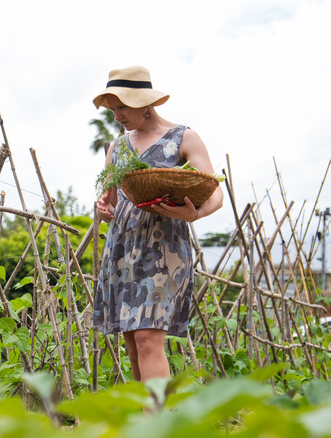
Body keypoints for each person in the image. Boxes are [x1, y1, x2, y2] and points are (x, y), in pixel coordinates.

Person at [92, 65, 223, 382]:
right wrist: (101, 208)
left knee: (148, 339)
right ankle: (147, 419)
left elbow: (215, 193)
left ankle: (161, 425)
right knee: (133, 342)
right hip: (122, 247)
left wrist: (195, 214)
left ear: (144, 103)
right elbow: (106, 200)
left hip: (164, 246)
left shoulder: (182, 137)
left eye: (122, 106)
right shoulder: (117, 148)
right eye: (113, 108)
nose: (117, 115)